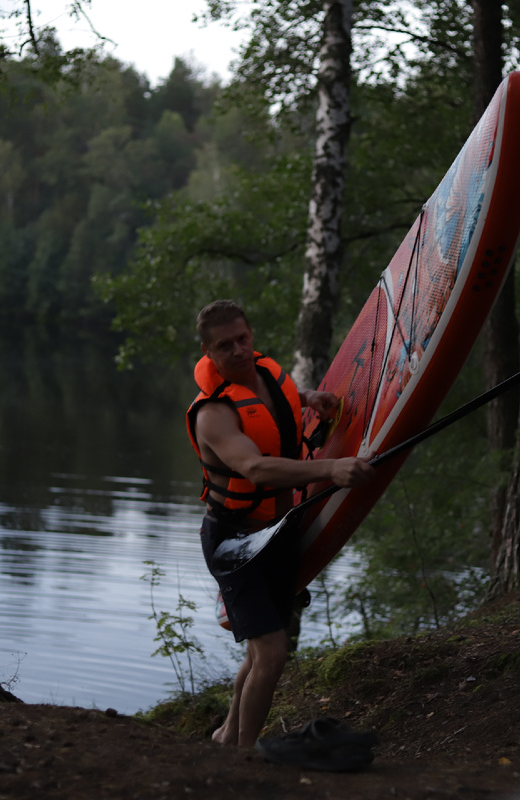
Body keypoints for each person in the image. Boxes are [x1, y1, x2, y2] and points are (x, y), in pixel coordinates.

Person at [186, 300, 374, 748]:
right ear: (207, 351)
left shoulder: (269, 374)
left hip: (279, 529)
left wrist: (310, 399)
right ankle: (245, 757)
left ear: (251, 335)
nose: (237, 351)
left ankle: (228, 735)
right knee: (272, 653)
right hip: (235, 543)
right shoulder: (212, 414)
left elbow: (280, 409)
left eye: (242, 339)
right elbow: (256, 469)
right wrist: (332, 470)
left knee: (257, 653)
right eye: (224, 346)